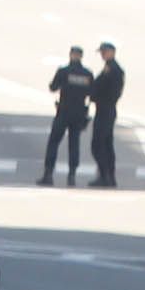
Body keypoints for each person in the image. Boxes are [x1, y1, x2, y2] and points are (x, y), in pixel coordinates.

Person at [40, 44, 93, 185]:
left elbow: (53, 87)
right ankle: (72, 176)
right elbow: (91, 93)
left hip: (64, 111)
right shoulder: (87, 74)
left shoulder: (64, 71)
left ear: (71, 55)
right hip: (79, 113)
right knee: (74, 144)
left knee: (54, 142)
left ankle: (48, 174)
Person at [88, 42, 127, 187]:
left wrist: (96, 95)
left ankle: (105, 176)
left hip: (106, 109)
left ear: (112, 52)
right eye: (102, 52)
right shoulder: (109, 68)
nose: (102, 55)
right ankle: (108, 176)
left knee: (98, 145)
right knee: (106, 144)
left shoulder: (114, 70)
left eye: (104, 52)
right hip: (104, 109)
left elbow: (112, 92)